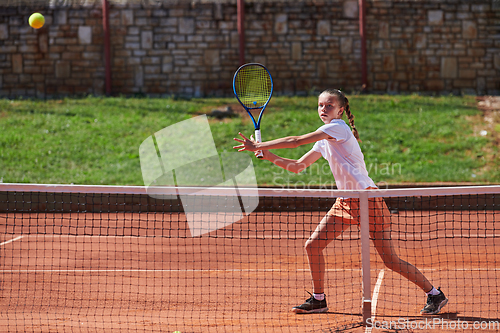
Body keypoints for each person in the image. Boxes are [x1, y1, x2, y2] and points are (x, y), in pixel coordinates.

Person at [233, 88, 448, 316]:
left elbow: (295, 141)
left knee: (390, 260)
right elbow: (298, 166)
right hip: (345, 202)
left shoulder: (337, 128)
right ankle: (318, 299)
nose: (323, 109)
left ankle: (434, 294)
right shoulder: (324, 140)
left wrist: (260, 145)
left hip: (367, 199)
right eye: (320, 105)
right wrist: (270, 157)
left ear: (340, 110)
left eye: (329, 105)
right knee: (313, 246)